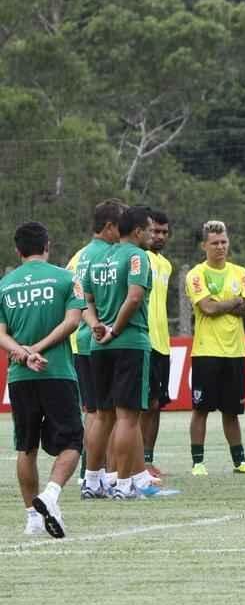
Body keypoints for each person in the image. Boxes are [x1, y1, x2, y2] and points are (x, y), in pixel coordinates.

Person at [0, 222, 86, 537]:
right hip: (57, 371)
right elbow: (73, 321)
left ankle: (32, 520)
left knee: (26, 447)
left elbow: (1, 334)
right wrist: (37, 349)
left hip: (20, 376)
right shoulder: (66, 278)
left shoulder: (5, 285)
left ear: (18, 250)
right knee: (73, 441)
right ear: (47, 245)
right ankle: (50, 495)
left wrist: (23, 354)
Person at [80, 206, 158, 499]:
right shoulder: (137, 256)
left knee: (102, 416)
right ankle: (124, 485)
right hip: (128, 343)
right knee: (128, 418)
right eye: (149, 229)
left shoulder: (101, 256)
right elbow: (135, 297)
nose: (152, 235)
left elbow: (86, 298)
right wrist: (114, 330)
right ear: (137, 231)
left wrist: (96, 325)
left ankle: (91, 481)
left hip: (97, 347)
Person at [185, 220, 245, 476]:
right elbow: (207, 307)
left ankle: (240, 462)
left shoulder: (241, 272)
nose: (220, 247)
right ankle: (198, 463)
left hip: (236, 351)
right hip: (207, 351)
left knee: (232, 411)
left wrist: (224, 303)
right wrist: (234, 303)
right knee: (201, 409)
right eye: (215, 243)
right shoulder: (196, 274)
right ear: (204, 245)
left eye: (224, 242)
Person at [67, 199, 125, 495]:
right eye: (122, 225)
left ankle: (93, 476)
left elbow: (73, 297)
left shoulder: (79, 257)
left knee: (94, 412)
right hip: (107, 339)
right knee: (115, 414)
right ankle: (114, 475)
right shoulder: (114, 255)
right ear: (109, 227)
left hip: (81, 341)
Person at [141, 209, 172, 479]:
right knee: (142, 405)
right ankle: (136, 462)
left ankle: (148, 458)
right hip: (143, 341)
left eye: (163, 232)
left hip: (163, 343)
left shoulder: (166, 264)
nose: (159, 236)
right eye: (154, 231)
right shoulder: (139, 259)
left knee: (156, 404)